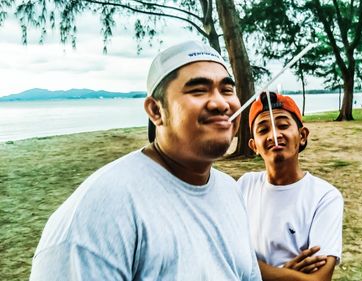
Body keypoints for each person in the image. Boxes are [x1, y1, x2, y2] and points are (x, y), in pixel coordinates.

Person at [30, 41, 261, 280]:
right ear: (155, 111)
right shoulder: (101, 210)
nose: (221, 103)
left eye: (226, 90)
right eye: (198, 90)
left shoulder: (230, 190)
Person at [238, 92, 344, 281]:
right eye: (263, 130)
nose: (275, 136)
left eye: (283, 125)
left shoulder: (325, 197)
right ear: (254, 146)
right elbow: (228, 255)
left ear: (302, 136)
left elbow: (319, 279)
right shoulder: (245, 186)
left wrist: (254, 269)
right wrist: (285, 274)